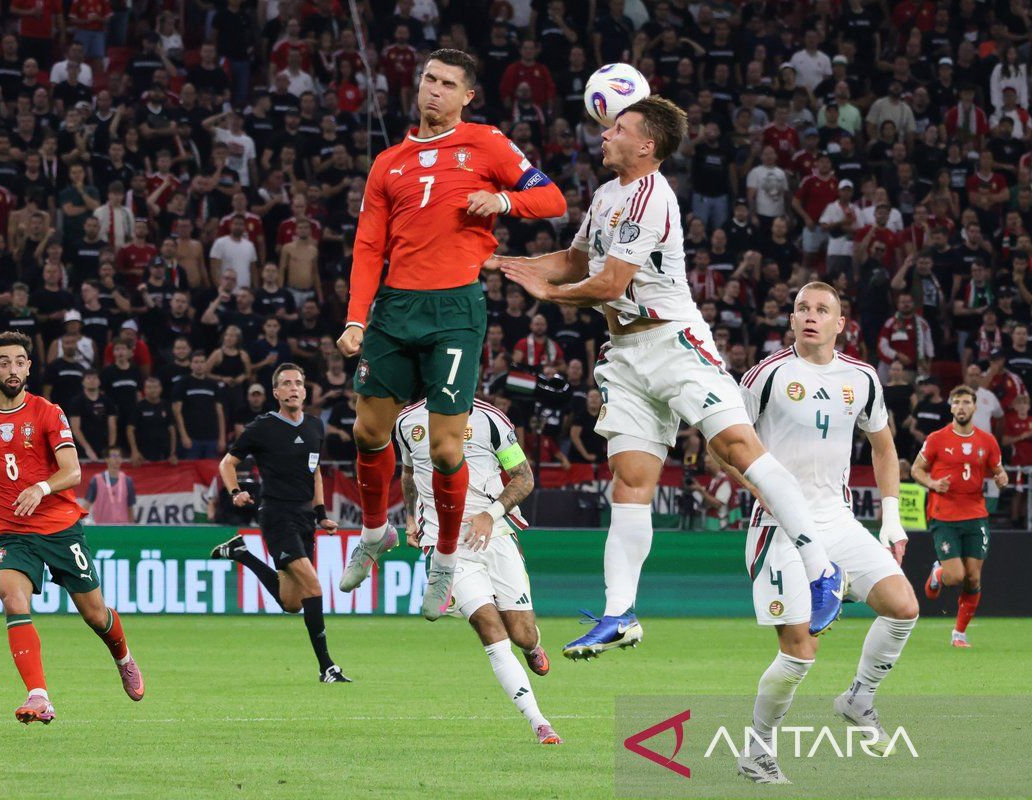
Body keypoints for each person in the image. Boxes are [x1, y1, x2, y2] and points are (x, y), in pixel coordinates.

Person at [495, 95, 845, 659]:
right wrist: (508, 264)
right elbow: (576, 262)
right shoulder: (606, 195)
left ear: (647, 144)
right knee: (629, 482)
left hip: (673, 342)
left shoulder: (651, 196)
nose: (605, 135)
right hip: (625, 354)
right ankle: (619, 614)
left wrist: (549, 294)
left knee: (737, 449)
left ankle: (822, 569)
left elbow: (609, 284)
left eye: (618, 129)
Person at [335, 49, 566, 620]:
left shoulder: (486, 143)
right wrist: (356, 318)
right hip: (395, 307)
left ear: (467, 96)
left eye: (446, 84)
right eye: (428, 80)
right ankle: (374, 532)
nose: (433, 90)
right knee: (368, 432)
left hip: (455, 309)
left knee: (444, 448)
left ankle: (443, 559)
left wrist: (503, 198)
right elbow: (368, 246)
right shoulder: (388, 162)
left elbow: (552, 198)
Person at [732, 283, 918, 784]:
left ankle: (859, 699)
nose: (810, 316)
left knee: (903, 607)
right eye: (802, 309)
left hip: (838, 520)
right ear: (791, 320)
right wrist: (759, 488)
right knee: (799, 653)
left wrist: (892, 518)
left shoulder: (862, 377)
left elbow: (884, 447)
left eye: (821, 310)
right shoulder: (765, 375)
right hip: (779, 528)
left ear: (841, 324)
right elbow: (724, 444)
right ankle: (757, 749)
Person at [0, 332, 144, 724]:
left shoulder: (48, 412)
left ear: (29, 367)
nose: (12, 369)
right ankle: (39, 696)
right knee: (13, 600)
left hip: (60, 528)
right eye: (4, 362)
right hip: (11, 533)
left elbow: (73, 471)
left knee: (96, 615)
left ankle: (123, 657)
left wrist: (41, 487)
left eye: (19, 361)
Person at [396, 395, 560, 745]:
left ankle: (532, 647)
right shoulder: (407, 422)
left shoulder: (491, 419)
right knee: (489, 626)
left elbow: (523, 477)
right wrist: (410, 517)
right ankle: (539, 722)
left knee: (522, 634)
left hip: (496, 536)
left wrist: (490, 514)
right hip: (446, 545)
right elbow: (408, 473)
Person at [208, 364, 348, 683]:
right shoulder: (262, 427)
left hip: (304, 518)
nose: (293, 388)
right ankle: (327, 667)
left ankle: (241, 553)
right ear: (276, 393)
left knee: (292, 602)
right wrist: (235, 492)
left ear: (305, 391)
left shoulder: (315, 426)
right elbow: (227, 463)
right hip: (277, 516)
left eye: (298, 383)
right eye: (286, 383)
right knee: (313, 586)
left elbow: (315, 473)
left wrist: (321, 514)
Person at [911, 385, 1008, 648]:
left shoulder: (987, 441)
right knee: (955, 576)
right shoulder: (937, 439)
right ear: (951, 407)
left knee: (973, 578)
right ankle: (938, 572)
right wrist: (932, 483)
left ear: (975, 407)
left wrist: (1001, 477)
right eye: (956, 402)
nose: (961, 407)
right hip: (944, 516)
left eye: (966, 402)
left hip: (976, 515)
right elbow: (916, 469)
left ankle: (959, 634)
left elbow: (998, 470)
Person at [81, 447, 136, 523]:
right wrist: (81, 522)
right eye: (114, 456)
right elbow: (87, 504)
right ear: (107, 459)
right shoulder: (97, 480)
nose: (117, 459)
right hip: (102, 527)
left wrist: (132, 526)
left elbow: (130, 507)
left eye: (119, 456)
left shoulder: (127, 481)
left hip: (122, 527)